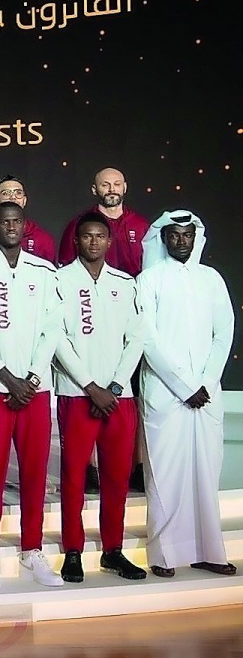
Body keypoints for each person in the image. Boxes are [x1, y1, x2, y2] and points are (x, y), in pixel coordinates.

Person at [0, 202, 63, 590]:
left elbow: (53, 328)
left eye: (16, 221)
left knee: (36, 471)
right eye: (4, 222)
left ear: (25, 226)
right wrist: (7, 377)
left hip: (34, 390)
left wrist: (33, 377)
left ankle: (32, 550)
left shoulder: (43, 270)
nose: (10, 227)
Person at [136, 210, 236, 578]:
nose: (181, 241)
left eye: (188, 235)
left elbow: (224, 331)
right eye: (174, 235)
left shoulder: (211, 279)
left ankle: (209, 550)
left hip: (206, 393)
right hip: (165, 393)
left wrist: (205, 383)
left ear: (197, 238)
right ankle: (165, 554)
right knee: (166, 473)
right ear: (163, 239)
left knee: (205, 472)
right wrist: (182, 385)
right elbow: (147, 338)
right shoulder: (149, 280)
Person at [53, 213, 148, 583]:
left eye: (100, 236)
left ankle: (113, 550)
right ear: (76, 241)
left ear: (109, 242)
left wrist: (115, 386)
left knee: (116, 477)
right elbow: (57, 337)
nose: (94, 242)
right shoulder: (60, 280)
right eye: (87, 236)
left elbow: (137, 338)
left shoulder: (125, 283)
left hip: (118, 397)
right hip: (77, 395)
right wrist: (90, 385)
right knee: (75, 476)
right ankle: (73, 551)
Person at [58, 167, 150, 276]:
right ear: (94, 189)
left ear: (125, 187)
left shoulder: (141, 225)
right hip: (92, 289)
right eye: (105, 185)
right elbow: (66, 267)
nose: (112, 189)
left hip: (134, 289)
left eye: (117, 184)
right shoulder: (80, 224)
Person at [0, 175, 56, 262]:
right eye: (6, 193)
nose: (13, 197)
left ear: (24, 200)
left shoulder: (43, 239)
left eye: (18, 193)